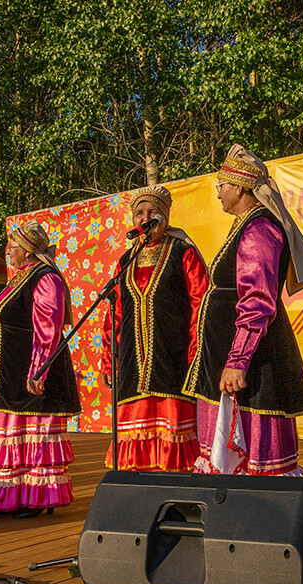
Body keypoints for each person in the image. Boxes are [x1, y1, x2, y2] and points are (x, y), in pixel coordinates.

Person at [184, 144, 303, 476]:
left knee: (257, 461)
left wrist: (237, 362)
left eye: (221, 184)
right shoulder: (245, 225)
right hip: (233, 359)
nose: (217, 192)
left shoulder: (259, 230)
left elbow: (257, 303)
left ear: (240, 187)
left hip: (254, 365)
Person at [0, 220, 81, 518]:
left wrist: (39, 369)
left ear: (29, 251)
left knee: (32, 426)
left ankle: (38, 496)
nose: (8, 251)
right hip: (8, 366)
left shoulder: (45, 278)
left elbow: (48, 326)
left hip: (29, 367)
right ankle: (12, 493)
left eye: (13, 246)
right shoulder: (19, 278)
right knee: (10, 427)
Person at [99, 185, 209, 471]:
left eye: (153, 212)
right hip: (132, 363)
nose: (145, 218)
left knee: (173, 431)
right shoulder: (126, 261)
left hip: (172, 358)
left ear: (166, 218)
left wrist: (196, 353)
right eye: (139, 214)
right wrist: (109, 362)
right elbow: (115, 314)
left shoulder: (183, 252)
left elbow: (201, 304)